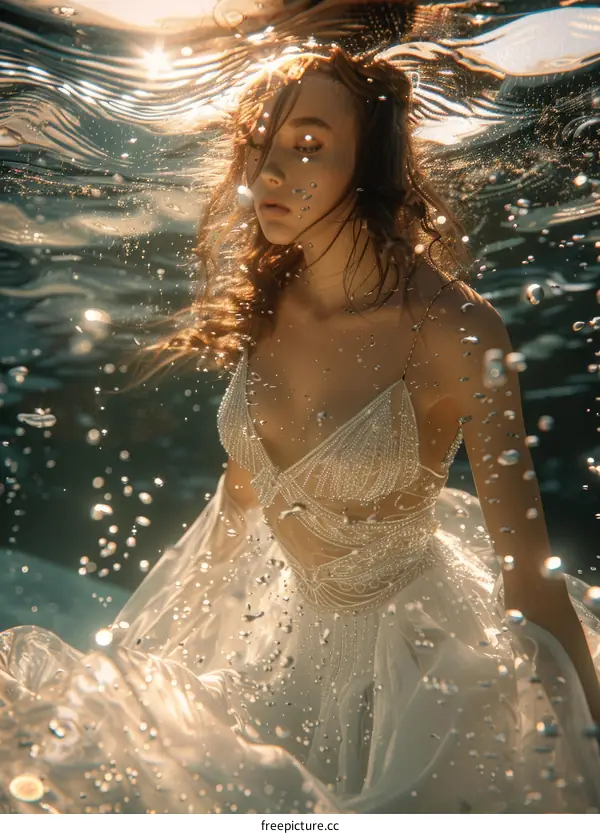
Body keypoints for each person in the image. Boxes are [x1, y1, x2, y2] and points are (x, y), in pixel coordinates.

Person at [1, 47, 600, 815]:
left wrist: (586, 759)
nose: (270, 174)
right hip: (277, 641)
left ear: (371, 159)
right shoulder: (270, 298)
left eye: (309, 145)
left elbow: (529, 575)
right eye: (261, 144)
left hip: (420, 670)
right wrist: (166, 639)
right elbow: (245, 489)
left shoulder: (456, 328)